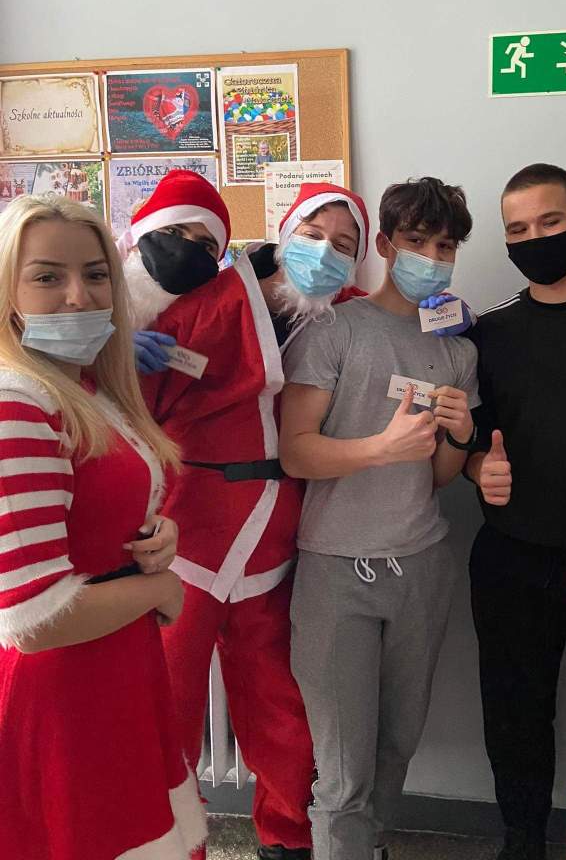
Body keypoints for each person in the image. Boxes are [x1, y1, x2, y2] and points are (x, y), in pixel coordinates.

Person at [121, 171, 372, 860]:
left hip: (276, 535)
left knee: (279, 707)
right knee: (167, 699)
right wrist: (114, 352)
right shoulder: (207, 301)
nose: (324, 252)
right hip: (189, 530)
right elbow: (114, 399)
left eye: (343, 243)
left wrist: (438, 317)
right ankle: (165, 841)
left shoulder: (346, 315)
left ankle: (286, 840)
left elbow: (392, 322)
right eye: (313, 234)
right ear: (285, 235)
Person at [0, 194, 206, 860]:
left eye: (94, 274)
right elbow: (34, 618)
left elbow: (91, 512)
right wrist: (161, 589)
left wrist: (153, 537)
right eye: (47, 276)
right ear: (8, 294)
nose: (77, 296)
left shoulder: (82, 389)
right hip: (62, 689)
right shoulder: (17, 401)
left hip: (113, 665)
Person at [279, 176, 479, 860]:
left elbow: (440, 476)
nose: (432, 258)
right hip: (336, 570)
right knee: (343, 769)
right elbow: (296, 451)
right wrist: (378, 449)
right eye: (417, 241)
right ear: (387, 245)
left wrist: (459, 435)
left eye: (445, 247)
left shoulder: (456, 348)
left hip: (421, 565)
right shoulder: (333, 329)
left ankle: (372, 848)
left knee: (398, 743)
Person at [464, 163, 566, 860]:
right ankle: (522, 843)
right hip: (512, 557)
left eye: (550, 222)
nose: (535, 239)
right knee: (514, 719)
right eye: (519, 230)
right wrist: (478, 468)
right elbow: (468, 444)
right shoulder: (488, 332)